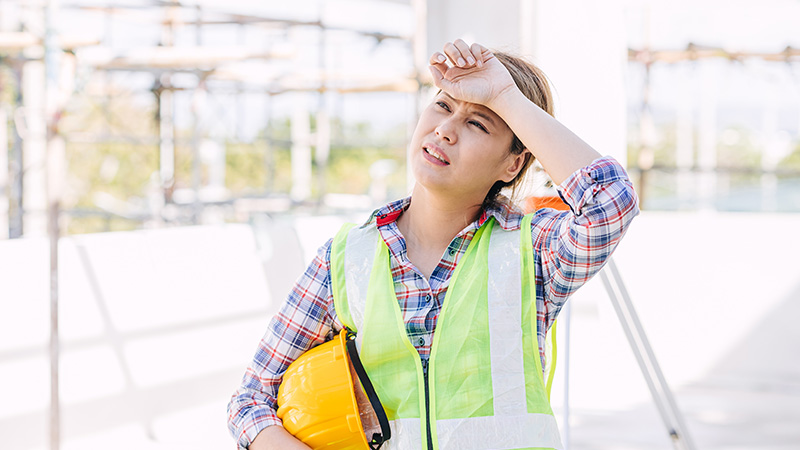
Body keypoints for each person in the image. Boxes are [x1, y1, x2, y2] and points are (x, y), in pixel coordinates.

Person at [227, 39, 639, 450]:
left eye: (478, 123)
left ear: (513, 164)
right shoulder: (346, 259)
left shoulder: (533, 251)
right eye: (443, 106)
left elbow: (610, 202)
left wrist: (504, 95)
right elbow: (251, 401)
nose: (445, 130)